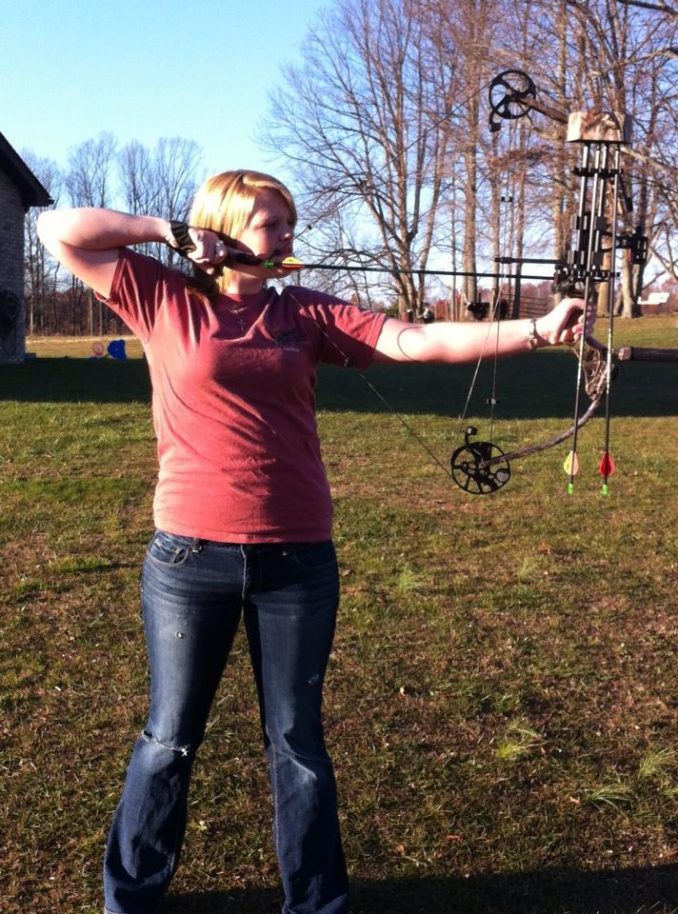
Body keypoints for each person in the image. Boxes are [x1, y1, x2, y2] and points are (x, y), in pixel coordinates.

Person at [37, 170, 590, 914]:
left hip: (297, 559)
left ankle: (317, 905)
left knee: (297, 743)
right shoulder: (162, 296)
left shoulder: (304, 311)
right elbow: (56, 229)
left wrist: (534, 329)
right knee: (168, 737)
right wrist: (164, 232)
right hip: (189, 558)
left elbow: (414, 339)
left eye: (290, 225)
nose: (289, 239)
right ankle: (129, 900)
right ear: (227, 230)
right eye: (273, 226)